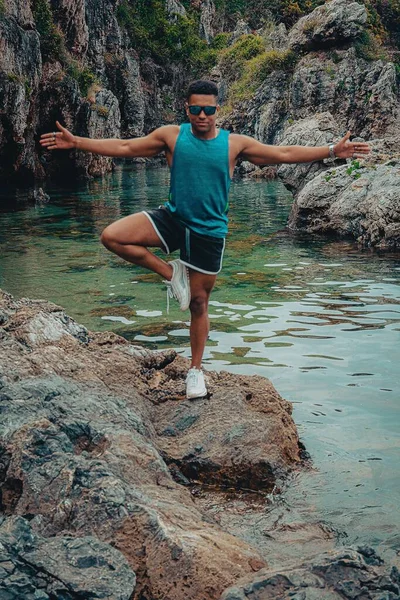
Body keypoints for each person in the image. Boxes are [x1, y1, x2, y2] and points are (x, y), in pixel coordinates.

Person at [40, 79, 370, 399]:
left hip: (209, 233)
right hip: (172, 218)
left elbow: (282, 153)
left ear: (217, 110)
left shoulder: (234, 144)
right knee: (113, 236)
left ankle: (195, 371)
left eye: (208, 110)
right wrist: (78, 141)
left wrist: (331, 150)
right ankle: (172, 273)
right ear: (187, 109)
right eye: (196, 110)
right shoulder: (171, 136)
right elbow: (125, 147)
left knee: (198, 304)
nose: (202, 116)